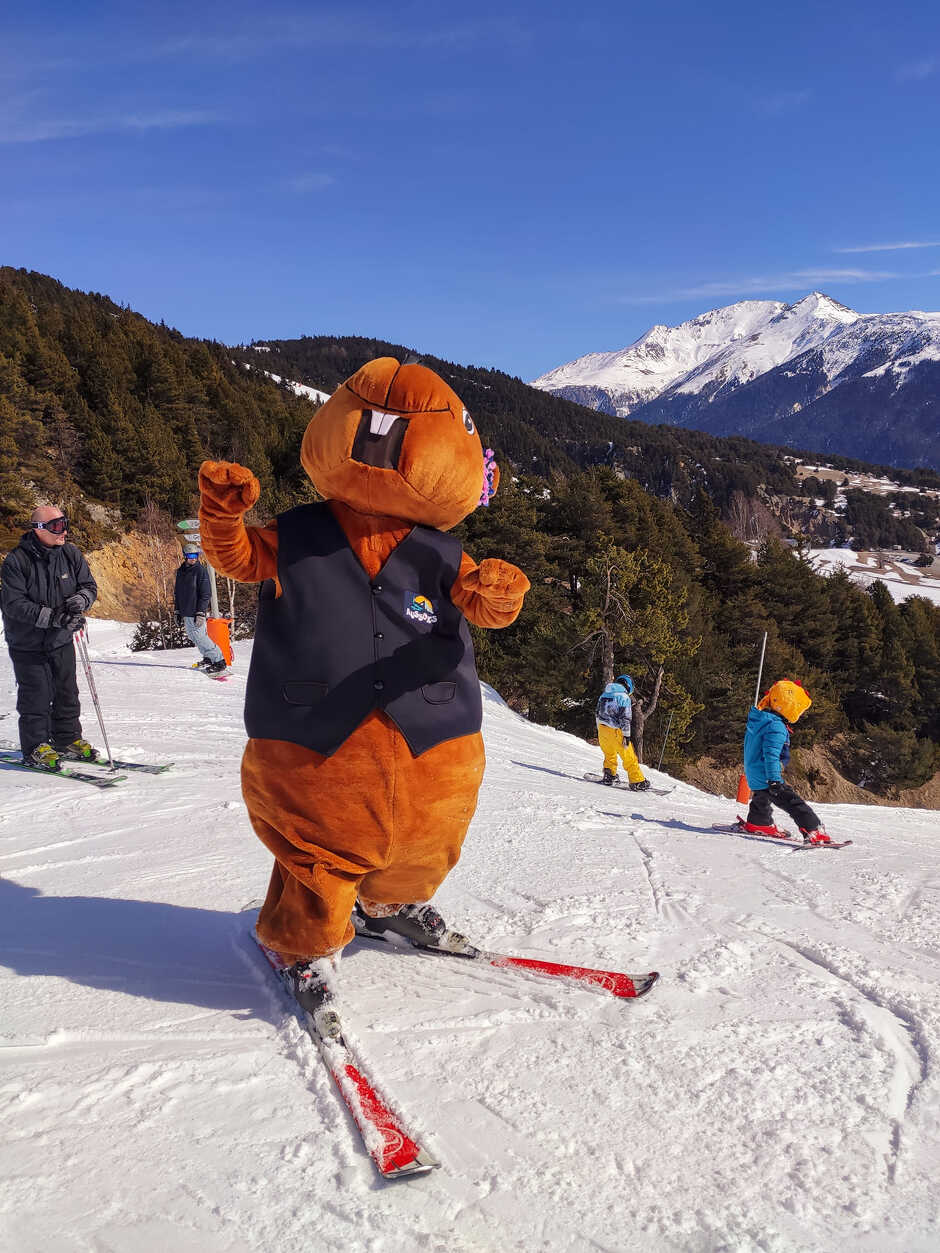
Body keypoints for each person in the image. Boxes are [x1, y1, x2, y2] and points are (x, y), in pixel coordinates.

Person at [197, 356, 529, 1009]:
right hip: (311, 730)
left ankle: (390, 903)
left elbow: (484, 608)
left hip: (429, 730)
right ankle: (298, 940)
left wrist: (501, 596)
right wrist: (222, 515)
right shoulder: (298, 533)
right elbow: (238, 559)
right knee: (320, 847)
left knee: (424, 842)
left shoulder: (443, 551)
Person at [0, 506, 99, 770]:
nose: (63, 531)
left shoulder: (70, 553)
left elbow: (89, 586)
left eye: (65, 524)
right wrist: (53, 617)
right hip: (28, 642)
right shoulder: (17, 561)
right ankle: (35, 748)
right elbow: (13, 604)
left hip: (61, 638)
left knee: (67, 692)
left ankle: (66, 739)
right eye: (56, 526)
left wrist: (81, 600)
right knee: (37, 694)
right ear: (39, 529)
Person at [739, 678, 830, 845]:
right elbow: (771, 755)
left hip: (754, 773)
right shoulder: (776, 726)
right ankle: (813, 829)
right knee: (792, 802)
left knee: (762, 796)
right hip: (767, 775)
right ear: (790, 708)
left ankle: (759, 822)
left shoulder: (760, 720)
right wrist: (774, 779)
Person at [173, 550, 227, 675]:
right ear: (185, 556)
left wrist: (201, 612)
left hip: (196, 611)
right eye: (191, 556)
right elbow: (178, 593)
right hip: (185, 610)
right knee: (193, 636)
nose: (193, 559)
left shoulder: (200, 571)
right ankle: (208, 657)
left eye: (196, 556)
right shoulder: (181, 571)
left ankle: (219, 660)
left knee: (200, 636)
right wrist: (177, 611)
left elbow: (206, 593)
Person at [595, 674, 650, 790]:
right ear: (629, 686)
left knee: (609, 755)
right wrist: (627, 735)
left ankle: (609, 775)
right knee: (629, 757)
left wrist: (600, 729)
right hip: (616, 731)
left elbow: (597, 713)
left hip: (603, 730)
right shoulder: (624, 697)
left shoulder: (604, 695)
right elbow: (625, 718)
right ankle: (637, 781)